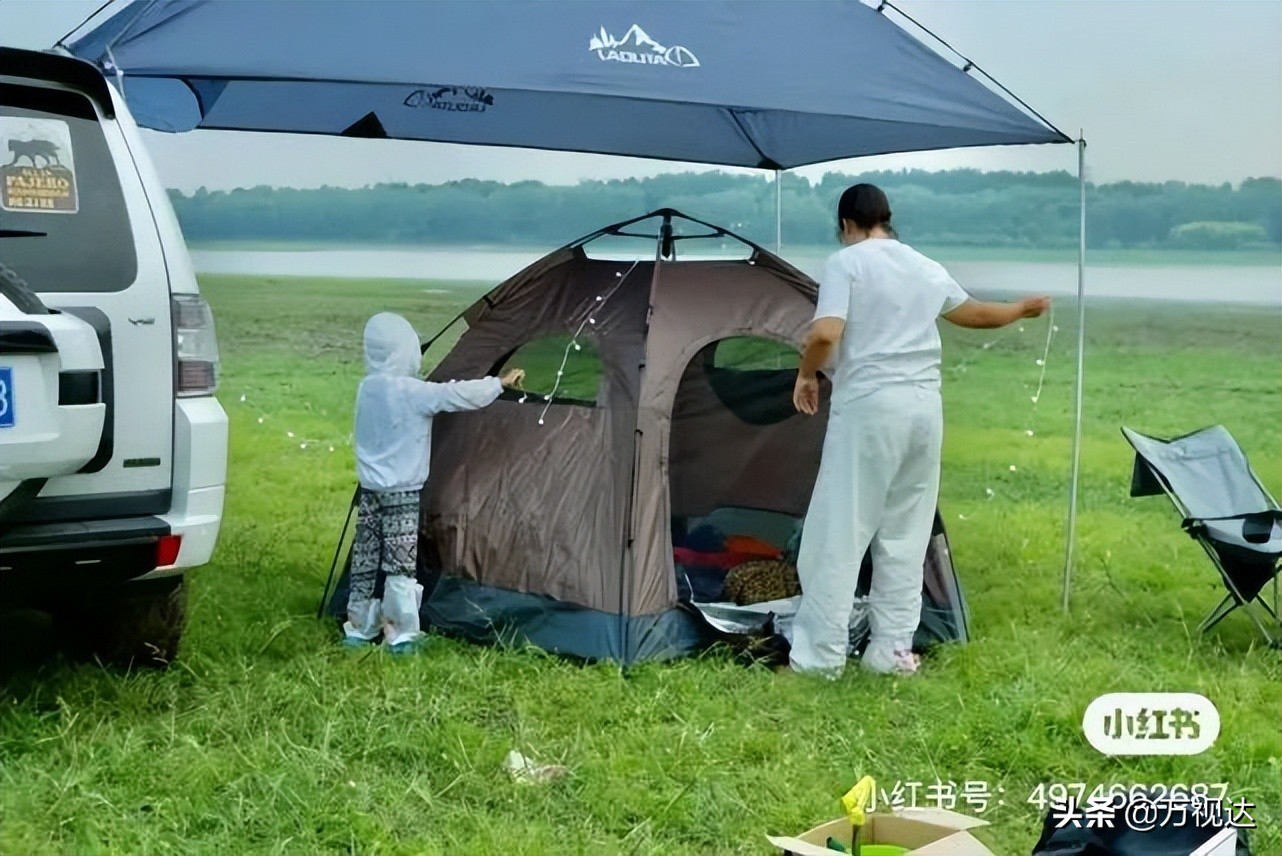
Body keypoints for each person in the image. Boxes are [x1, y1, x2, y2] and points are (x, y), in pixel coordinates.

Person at [788, 183, 1050, 678]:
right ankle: (891, 652)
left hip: (870, 409)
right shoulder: (924, 265)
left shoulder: (846, 263)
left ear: (846, 224)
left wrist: (806, 374)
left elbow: (825, 332)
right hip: (924, 411)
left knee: (838, 532)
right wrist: (1020, 309)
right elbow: (974, 313)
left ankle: (819, 659)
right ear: (887, 219)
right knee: (906, 535)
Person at [343, 311, 524, 652]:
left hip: (370, 491)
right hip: (401, 494)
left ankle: (359, 627)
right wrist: (498, 384)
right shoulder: (412, 392)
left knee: (367, 556)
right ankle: (401, 633)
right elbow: (456, 395)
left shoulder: (368, 387)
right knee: (399, 562)